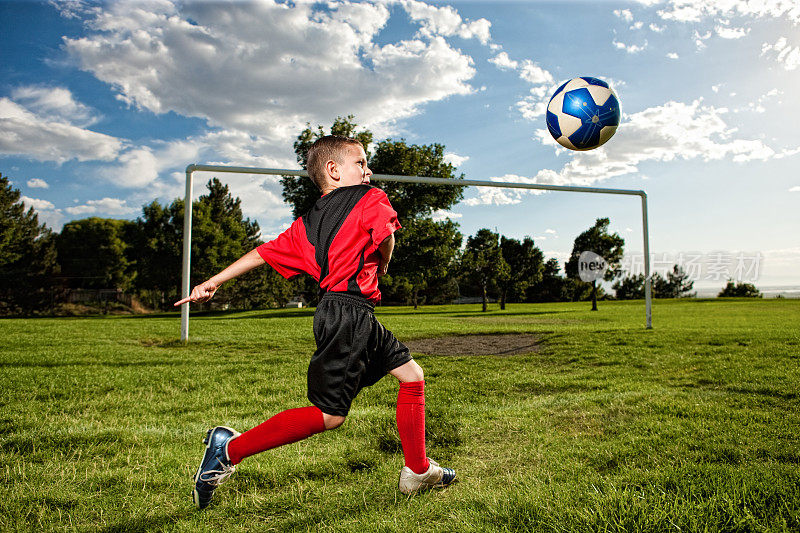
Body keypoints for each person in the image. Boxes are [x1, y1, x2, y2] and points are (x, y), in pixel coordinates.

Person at [175, 135, 456, 510]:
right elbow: (386, 234)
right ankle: (229, 449)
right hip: (348, 315)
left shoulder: (307, 223)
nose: (368, 171)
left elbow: (261, 253)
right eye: (361, 163)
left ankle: (418, 469)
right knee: (330, 416)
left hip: (343, 312)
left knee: (412, 376)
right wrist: (385, 258)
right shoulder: (369, 197)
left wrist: (212, 282)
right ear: (334, 170)